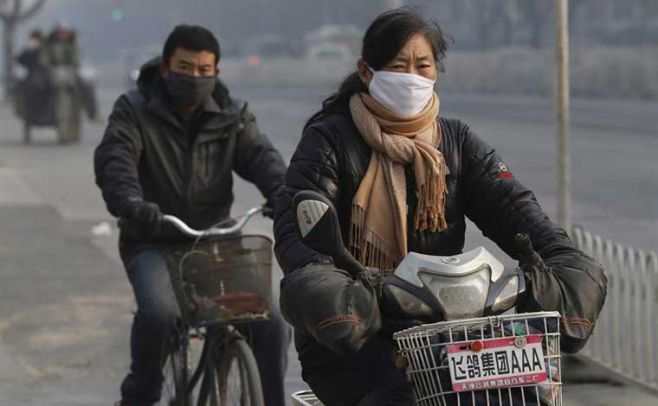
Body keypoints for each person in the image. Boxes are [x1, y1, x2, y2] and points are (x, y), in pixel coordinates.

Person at [273, 8, 607, 406]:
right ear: (367, 72)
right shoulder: (328, 140)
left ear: (435, 72)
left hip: (452, 328)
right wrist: (332, 288)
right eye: (399, 66)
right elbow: (299, 233)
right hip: (360, 330)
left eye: (422, 65)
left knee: (525, 391)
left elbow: (514, 207)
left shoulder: (457, 141)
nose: (411, 77)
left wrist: (562, 259)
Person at [94, 25, 291, 406]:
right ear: (166, 68)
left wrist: (283, 193)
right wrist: (131, 201)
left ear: (216, 72)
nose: (196, 78)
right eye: (186, 67)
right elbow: (115, 158)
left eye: (205, 70)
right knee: (160, 316)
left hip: (215, 241)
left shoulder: (232, 115)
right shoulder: (133, 109)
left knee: (269, 321)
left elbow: (260, 156)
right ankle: (140, 395)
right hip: (151, 238)